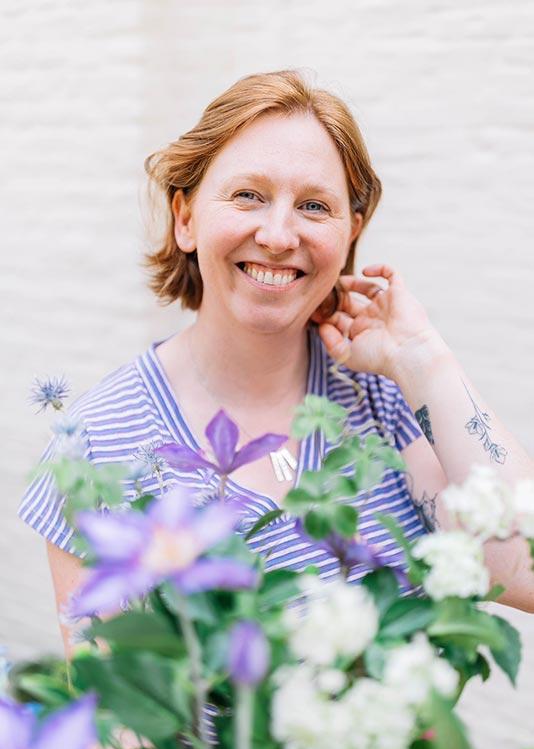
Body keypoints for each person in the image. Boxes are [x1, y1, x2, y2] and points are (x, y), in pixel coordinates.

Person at [19, 69, 534, 664]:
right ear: (186, 218)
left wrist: (423, 359)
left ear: (350, 233)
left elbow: (522, 568)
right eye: (248, 195)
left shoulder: (386, 402)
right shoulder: (93, 451)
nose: (279, 234)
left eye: (314, 206)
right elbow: (120, 710)